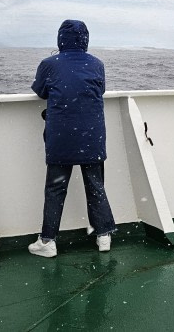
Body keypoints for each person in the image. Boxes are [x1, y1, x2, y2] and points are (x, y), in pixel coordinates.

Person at [28, 20, 116, 258]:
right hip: (92, 135)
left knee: (56, 188)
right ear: (85, 40)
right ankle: (103, 235)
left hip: (62, 136)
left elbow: (40, 91)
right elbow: (101, 90)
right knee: (96, 186)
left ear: (60, 39)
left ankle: (48, 241)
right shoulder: (97, 64)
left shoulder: (49, 64)